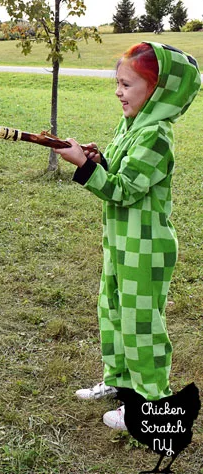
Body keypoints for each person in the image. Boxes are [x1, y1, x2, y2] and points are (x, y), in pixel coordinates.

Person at [54, 42, 200, 430]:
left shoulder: (157, 135)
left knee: (141, 324)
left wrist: (84, 166)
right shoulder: (132, 124)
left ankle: (151, 404)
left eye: (127, 84)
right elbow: (118, 171)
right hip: (120, 242)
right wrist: (98, 159)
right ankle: (120, 384)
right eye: (117, 83)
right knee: (112, 310)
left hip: (146, 246)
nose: (118, 91)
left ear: (158, 91)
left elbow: (123, 190)